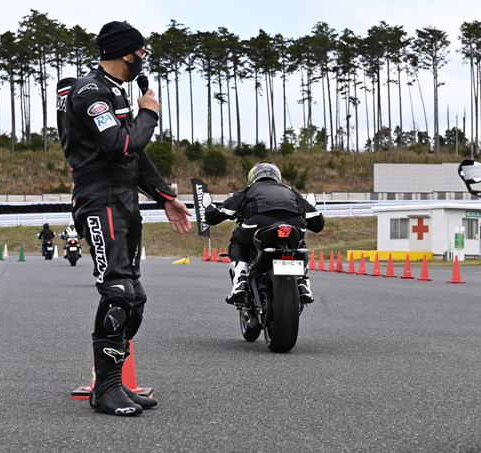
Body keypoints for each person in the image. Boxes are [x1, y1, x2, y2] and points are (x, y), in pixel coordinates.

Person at [56, 21, 192, 416]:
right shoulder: (90, 91)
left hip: (125, 199)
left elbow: (132, 155)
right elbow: (121, 142)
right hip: (100, 200)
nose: (144, 59)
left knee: (135, 297)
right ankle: (107, 389)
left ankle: (112, 379)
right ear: (124, 53)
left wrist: (166, 196)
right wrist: (149, 114)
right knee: (117, 292)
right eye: (141, 52)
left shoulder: (113, 92)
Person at [204, 161, 325, 306]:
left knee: (237, 237)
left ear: (253, 176)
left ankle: (240, 281)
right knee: (299, 242)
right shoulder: (291, 191)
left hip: (258, 225)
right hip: (294, 224)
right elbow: (318, 224)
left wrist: (209, 206)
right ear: (277, 177)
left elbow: (214, 216)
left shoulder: (249, 190)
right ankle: (303, 281)